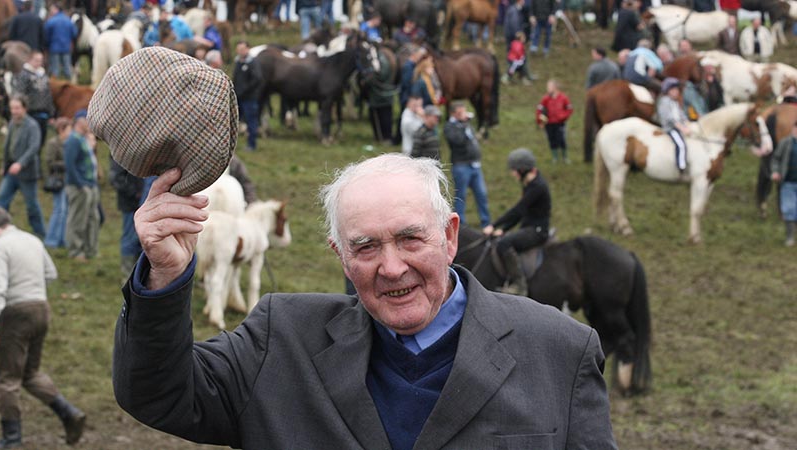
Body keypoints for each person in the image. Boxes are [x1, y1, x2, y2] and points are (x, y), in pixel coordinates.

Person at [112, 154, 617, 449]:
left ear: (451, 236)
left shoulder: (560, 351)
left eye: (410, 239)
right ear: (340, 256)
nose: (391, 267)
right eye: (366, 247)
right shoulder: (279, 340)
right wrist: (166, 276)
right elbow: (158, 393)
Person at [0, 204, 86, 449]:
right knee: (30, 373)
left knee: (7, 378)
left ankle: (11, 439)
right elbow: (51, 273)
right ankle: (69, 413)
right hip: (40, 309)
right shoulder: (32, 240)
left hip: (15, 313)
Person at [482, 148, 551, 295]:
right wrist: (504, 229)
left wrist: (493, 225)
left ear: (523, 169)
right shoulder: (530, 183)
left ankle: (519, 284)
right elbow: (522, 213)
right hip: (529, 226)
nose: (512, 173)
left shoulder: (537, 187)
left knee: (504, 244)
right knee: (504, 238)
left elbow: (518, 210)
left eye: (514, 170)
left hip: (538, 231)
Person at [0, 96, 47, 238]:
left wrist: (20, 163)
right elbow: (7, 146)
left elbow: (34, 147)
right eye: (12, 108)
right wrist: (4, 164)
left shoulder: (32, 126)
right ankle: (0, 229)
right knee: (2, 199)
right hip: (10, 171)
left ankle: (40, 232)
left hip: (27, 173)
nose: (14, 111)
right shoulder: (12, 123)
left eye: (17, 108)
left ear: (25, 108)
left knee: (31, 205)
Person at [444, 102, 491, 226]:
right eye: (460, 113)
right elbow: (458, 140)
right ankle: (461, 224)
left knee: (482, 194)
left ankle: (486, 221)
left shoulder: (466, 124)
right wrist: (464, 125)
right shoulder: (450, 127)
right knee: (461, 196)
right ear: (453, 113)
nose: (464, 115)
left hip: (474, 164)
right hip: (461, 165)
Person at [64, 109, 100, 261]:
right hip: (79, 186)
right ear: (79, 121)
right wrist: (80, 184)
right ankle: (75, 251)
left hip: (90, 184)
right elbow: (70, 165)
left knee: (93, 218)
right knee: (78, 219)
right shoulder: (73, 140)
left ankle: (90, 249)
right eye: (87, 120)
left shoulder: (84, 139)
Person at [11, 51, 55, 147]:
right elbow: (20, 93)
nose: (38, 63)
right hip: (30, 112)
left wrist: (51, 113)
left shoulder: (43, 75)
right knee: (30, 141)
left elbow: (48, 95)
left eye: (40, 60)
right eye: (36, 60)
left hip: (43, 113)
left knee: (41, 140)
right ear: (30, 60)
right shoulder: (24, 75)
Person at [110, 156, 144, 275]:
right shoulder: (121, 155)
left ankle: (138, 272)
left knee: (141, 239)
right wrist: (135, 193)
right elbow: (116, 178)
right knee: (129, 238)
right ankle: (127, 273)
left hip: (141, 204)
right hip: (130, 204)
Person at [44, 118, 71, 249]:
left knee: (65, 211)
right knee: (59, 210)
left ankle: (62, 239)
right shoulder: (53, 143)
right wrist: (67, 164)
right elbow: (50, 162)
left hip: (67, 181)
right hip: (58, 181)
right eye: (68, 129)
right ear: (61, 130)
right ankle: (51, 240)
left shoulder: (69, 143)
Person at [232, 40, 263, 151]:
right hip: (239, 98)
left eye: (242, 49)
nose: (240, 51)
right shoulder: (238, 62)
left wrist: (244, 91)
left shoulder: (253, 63)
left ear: (248, 49)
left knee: (251, 121)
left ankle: (252, 144)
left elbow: (257, 79)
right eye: (238, 49)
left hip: (250, 98)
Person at [657, 77, 692, 173]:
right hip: (671, 128)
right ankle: (681, 165)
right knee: (680, 144)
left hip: (677, 126)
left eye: (677, 90)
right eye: (674, 90)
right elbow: (670, 119)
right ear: (668, 91)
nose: (676, 92)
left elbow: (681, 114)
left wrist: (687, 122)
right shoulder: (664, 102)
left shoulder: (674, 103)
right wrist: (682, 128)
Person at [771, 121, 797, 246]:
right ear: (793, 129)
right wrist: (775, 171)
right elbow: (776, 158)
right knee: (789, 209)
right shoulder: (785, 143)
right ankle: (790, 237)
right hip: (788, 182)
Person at [536, 79, 574, 163]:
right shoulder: (545, 99)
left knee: (561, 139)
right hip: (549, 123)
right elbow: (539, 109)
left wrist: (563, 116)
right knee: (551, 139)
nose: (548, 88)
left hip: (560, 123)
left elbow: (569, 108)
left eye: (549, 86)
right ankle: (555, 157)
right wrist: (540, 121)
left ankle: (565, 157)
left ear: (555, 87)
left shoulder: (563, 98)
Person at [395, 47, 427, 145]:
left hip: (409, 96)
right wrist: (410, 97)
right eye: (419, 56)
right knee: (404, 116)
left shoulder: (412, 65)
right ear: (414, 55)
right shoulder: (408, 66)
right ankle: (397, 138)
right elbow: (406, 83)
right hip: (407, 97)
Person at [365, 46, 395, 143]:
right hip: (381, 95)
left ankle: (384, 138)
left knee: (383, 117)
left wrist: (368, 80)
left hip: (380, 95)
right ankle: (381, 137)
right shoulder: (382, 57)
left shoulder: (381, 59)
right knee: (383, 117)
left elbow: (381, 74)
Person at [44, 3, 78, 80]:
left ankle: (55, 87)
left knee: (55, 69)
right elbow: (75, 33)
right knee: (67, 68)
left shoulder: (51, 21)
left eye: (52, 10)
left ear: (56, 9)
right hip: (66, 48)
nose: (51, 11)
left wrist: (47, 46)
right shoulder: (68, 20)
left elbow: (46, 35)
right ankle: (69, 84)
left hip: (54, 48)